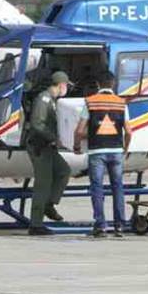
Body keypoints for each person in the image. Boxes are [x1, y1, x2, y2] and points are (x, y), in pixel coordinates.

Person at [74, 71, 131, 238]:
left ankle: (100, 226)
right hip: (116, 151)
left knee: (97, 188)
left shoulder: (90, 102)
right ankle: (120, 226)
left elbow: (79, 130)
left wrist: (76, 146)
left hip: (96, 151)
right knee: (117, 187)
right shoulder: (121, 103)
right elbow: (128, 131)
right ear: (113, 85)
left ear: (98, 85)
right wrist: (125, 148)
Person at [25, 71, 72, 236]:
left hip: (48, 146)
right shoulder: (44, 99)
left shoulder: (52, 101)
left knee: (63, 171)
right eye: (66, 86)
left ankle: (49, 204)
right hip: (39, 146)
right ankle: (36, 224)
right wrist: (54, 138)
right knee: (43, 184)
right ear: (61, 85)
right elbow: (37, 124)